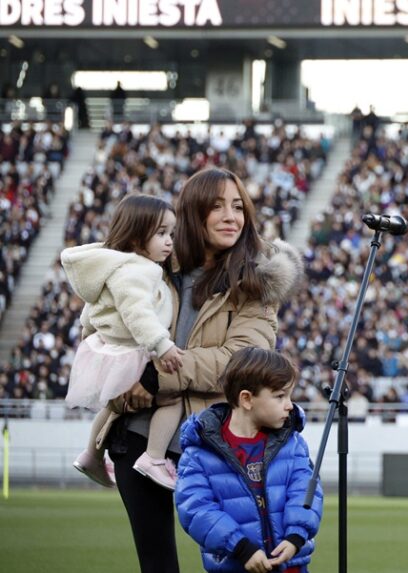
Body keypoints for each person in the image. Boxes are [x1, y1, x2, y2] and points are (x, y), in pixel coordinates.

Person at [99, 167, 304, 573]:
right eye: (216, 206)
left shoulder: (257, 284)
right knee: (157, 564)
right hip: (138, 436)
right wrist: (128, 388)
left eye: (237, 206)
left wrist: (155, 378)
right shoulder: (147, 269)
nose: (232, 216)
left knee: (231, 562)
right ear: (191, 213)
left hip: (214, 443)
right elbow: (111, 341)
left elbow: (240, 360)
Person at [63, 195, 187, 490]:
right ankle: (154, 457)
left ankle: (91, 454)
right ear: (134, 236)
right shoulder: (137, 270)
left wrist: (89, 335)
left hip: (111, 349)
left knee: (115, 406)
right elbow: (137, 313)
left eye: (171, 233)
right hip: (132, 350)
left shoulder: (115, 266)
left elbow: (93, 308)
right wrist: (162, 344)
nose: (169, 241)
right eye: (160, 234)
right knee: (174, 397)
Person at [176, 347, 324, 573]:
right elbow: (196, 509)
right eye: (279, 396)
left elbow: (306, 491)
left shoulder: (292, 444)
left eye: (289, 396)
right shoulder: (200, 452)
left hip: (290, 567)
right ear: (246, 399)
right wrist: (240, 547)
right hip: (236, 565)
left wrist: (296, 536)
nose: (290, 405)